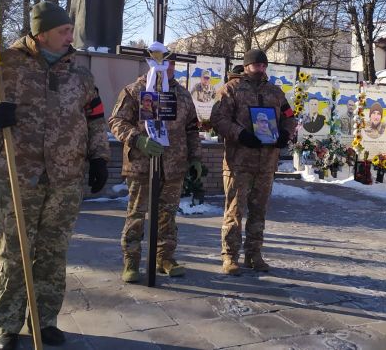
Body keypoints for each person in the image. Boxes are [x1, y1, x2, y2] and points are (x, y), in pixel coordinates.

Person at [0, 1, 110, 350]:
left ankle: (45, 321)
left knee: (53, 253)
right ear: (41, 35)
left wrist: (99, 157)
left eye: (70, 29)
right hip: (15, 179)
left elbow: (95, 118)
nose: (70, 35)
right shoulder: (4, 66)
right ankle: (7, 325)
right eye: (63, 31)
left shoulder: (80, 73)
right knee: (13, 253)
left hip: (66, 180)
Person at [108, 51, 201, 283]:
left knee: (167, 215)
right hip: (142, 164)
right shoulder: (134, 90)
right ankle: (131, 260)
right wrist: (137, 139)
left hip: (173, 166)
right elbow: (116, 121)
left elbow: (191, 129)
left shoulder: (182, 94)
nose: (168, 68)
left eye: (171, 64)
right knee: (137, 214)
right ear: (152, 64)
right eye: (163, 63)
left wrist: (195, 158)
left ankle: (165, 257)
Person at [211, 49, 296, 275]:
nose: (260, 69)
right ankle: (230, 256)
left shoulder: (275, 93)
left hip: (266, 163)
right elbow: (218, 119)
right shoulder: (231, 90)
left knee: (259, 210)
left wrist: (286, 135)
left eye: (263, 66)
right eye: (256, 65)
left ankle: (254, 254)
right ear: (246, 65)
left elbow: (289, 117)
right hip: (239, 162)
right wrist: (240, 134)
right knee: (234, 211)